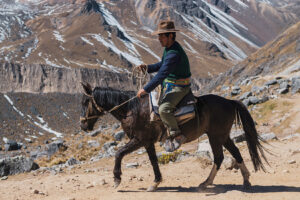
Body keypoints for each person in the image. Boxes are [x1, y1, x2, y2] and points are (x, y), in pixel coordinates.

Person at [137, 20, 191, 152]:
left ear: (170, 36)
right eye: (159, 36)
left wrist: (145, 89)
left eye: (162, 36)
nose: (159, 39)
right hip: (171, 83)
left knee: (163, 110)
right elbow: (162, 64)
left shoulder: (173, 53)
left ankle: (177, 134)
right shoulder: (169, 49)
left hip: (180, 87)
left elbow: (161, 74)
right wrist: (147, 68)